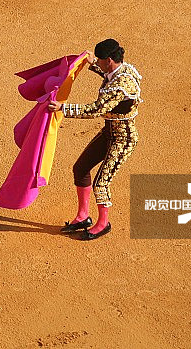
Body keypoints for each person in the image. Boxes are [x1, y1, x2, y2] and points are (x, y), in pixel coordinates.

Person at [47, 39, 142, 240]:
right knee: (80, 168)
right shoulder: (122, 70)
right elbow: (109, 76)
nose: (98, 62)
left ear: (109, 60)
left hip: (123, 139)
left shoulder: (121, 85)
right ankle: (83, 216)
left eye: (99, 60)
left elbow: (96, 109)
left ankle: (103, 223)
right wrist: (92, 64)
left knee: (101, 183)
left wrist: (64, 109)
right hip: (109, 133)